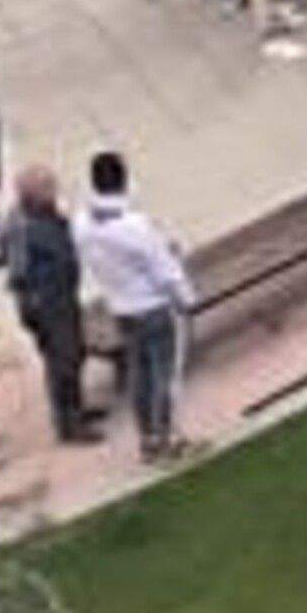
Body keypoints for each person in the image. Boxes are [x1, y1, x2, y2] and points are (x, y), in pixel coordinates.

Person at [74, 149, 192, 463]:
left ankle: (148, 438)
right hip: (154, 306)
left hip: (122, 308)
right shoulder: (134, 226)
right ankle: (168, 438)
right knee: (165, 374)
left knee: (141, 375)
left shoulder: (83, 223)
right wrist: (185, 298)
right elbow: (164, 268)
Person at [2, 167, 100, 446]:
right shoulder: (22, 227)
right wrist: (34, 302)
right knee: (63, 360)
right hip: (47, 304)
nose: (55, 193)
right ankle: (69, 423)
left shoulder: (45, 213)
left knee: (75, 352)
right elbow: (17, 270)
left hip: (62, 296)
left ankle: (77, 409)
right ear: (32, 195)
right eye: (48, 189)